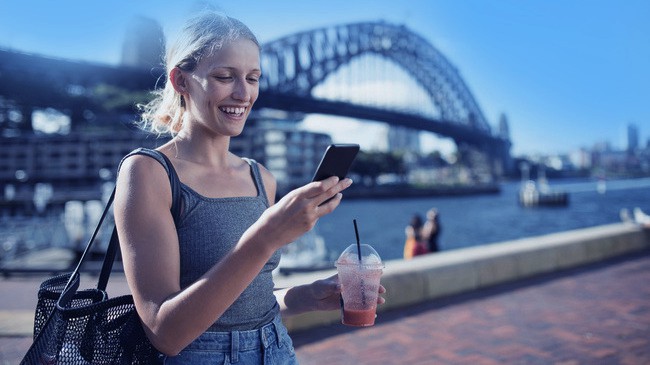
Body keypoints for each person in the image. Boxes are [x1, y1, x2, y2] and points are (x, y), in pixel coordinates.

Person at [113, 11, 385, 364]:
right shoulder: (148, 173)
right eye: (225, 77)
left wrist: (303, 297)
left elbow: (244, 294)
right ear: (181, 80)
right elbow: (165, 332)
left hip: (276, 351)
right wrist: (266, 237)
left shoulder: (260, 177)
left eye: (253, 78)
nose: (243, 94)